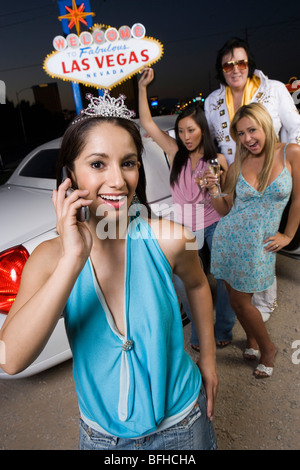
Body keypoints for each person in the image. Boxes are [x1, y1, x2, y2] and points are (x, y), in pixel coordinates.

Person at [0, 91, 218, 450]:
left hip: (183, 425)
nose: (117, 180)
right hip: (102, 438)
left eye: (128, 163)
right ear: (70, 173)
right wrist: (72, 259)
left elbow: (198, 286)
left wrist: (207, 359)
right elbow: (10, 359)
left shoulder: (171, 238)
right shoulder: (50, 258)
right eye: (98, 164)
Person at [138, 67, 235, 349]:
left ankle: (224, 329)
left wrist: (214, 186)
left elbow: (225, 207)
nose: (185, 136)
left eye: (190, 130)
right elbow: (147, 121)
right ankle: (199, 331)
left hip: (215, 222)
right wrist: (142, 88)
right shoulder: (175, 153)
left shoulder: (217, 160)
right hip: (186, 224)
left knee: (224, 277)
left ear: (202, 129)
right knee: (184, 283)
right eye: (180, 131)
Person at [205, 37, 300, 322]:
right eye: (228, 64)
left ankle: (265, 303)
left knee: (266, 241)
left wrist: (288, 168)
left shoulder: (273, 90)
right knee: (244, 246)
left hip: (272, 174)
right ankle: (246, 306)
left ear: (250, 64)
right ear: (221, 70)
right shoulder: (212, 101)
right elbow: (213, 143)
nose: (235, 69)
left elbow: (294, 129)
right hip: (236, 182)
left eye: (241, 62)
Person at [209, 102, 300, 378]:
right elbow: (225, 210)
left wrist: (288, 235)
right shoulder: (239, 163)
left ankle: (268, 347)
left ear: (266, 125)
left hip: (260, 244)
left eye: (252, 130)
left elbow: (298, 200)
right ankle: (251, 340)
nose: (248, 138)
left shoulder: (291, 153)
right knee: (236, 299)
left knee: (241, 302)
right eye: (241, 134)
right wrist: (214, 188)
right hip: (229, 239)